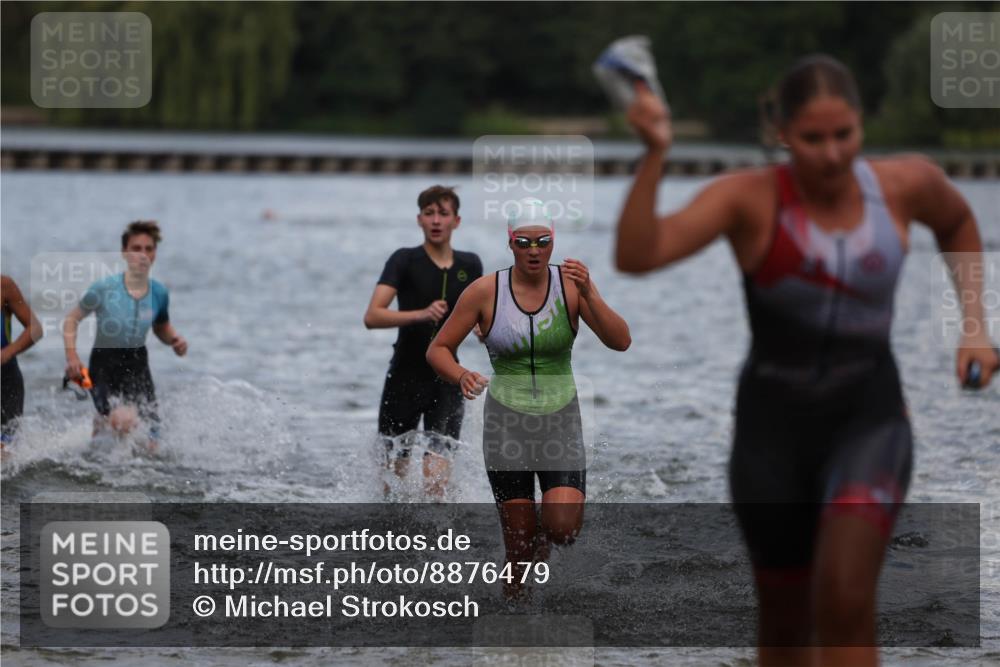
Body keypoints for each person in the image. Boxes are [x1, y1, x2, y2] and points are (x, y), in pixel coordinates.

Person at [614, 54, 997, 666]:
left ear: (862, 124)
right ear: (783, 133)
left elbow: (957, 222)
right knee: (785, 626)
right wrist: (655, 153)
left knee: (845, 598)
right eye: (813, 139)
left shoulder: (905, 185)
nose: (832, 153)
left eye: (845, 134)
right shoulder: (748, 198)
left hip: (869, 423)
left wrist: (974, 327)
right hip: (772, 438)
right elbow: (638, 254)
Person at [427, 198, 631, 599]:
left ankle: (542, 530)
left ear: (553, 241)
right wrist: (461, 374)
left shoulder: (571, 286)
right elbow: (438, 349)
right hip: (506, 423)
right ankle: (514, 618)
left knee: (563, 530)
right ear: (510, 243)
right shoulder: (485, 291)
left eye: (542, 241)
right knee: (518, 548)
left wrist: (590, 292)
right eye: (523, 242)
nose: (533, 250)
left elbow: (621, 341)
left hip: (561, 419)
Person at [364, 186, 483, 499]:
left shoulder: (470, 265)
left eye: (443, 213)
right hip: (404, 377)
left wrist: (483, 331)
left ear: (456, 221)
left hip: (447, 379)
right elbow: (372, 316)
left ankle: (437, 530)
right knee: (392, 483)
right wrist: (421, 314)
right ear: (419, 219)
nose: (436, 220)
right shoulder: (404, 260)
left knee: (436, 485)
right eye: (429, 213)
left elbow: (480, 317)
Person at [63, 221, 188, 454]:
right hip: (104, 364)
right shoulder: (104, 288)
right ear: (124, 252)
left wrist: (174, 340)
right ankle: (101, 454)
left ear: (155, 253)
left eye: (148, 249)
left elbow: (162, 326)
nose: (143, 254)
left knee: (151, 441)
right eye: (136, 248)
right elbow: (72, 320)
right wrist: (72, 357)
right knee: (123, 422)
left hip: (138, 364)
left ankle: (106, 443)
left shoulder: (159, 292)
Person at [1, 275, 43, 453]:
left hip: (5, 381)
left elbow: (35, 329)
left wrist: (8, 352)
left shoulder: (4, 285)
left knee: (5, 451)